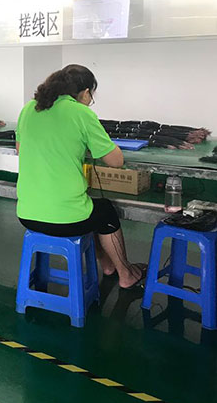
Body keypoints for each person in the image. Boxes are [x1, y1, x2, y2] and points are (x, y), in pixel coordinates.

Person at [16, 64, 146, 290]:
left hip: (27, 214)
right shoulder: (81, 113)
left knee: (89, 209)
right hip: (65, 219)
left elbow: (20, 148)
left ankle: (107, 265)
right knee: (104, 211)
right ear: (85, 93)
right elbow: (115, 161)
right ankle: (126, 274)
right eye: (91, 96)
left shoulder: (29, 108)